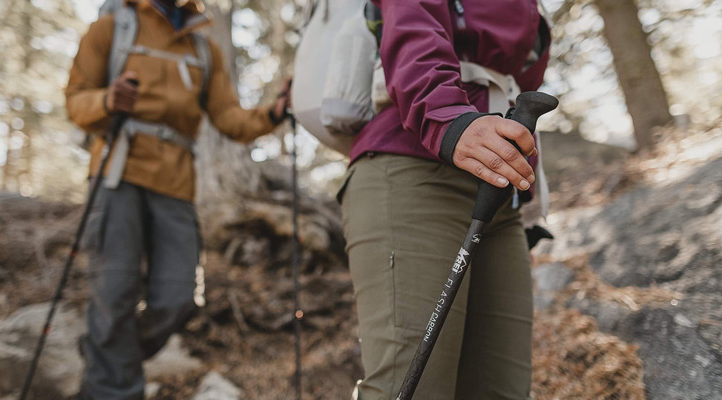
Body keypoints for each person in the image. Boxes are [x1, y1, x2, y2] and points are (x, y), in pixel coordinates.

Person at [64, 1, 288, 398]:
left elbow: (231, 119)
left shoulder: (203, 50)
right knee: (114, 292)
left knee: (179, 297)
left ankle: (107, 354)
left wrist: (273, 113)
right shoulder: (111, 29)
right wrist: (106, 101)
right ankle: (110, 385)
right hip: (119, 172)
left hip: (176, 184)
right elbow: (75, 100)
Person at [337, 0, 550, 399]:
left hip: (498, 193)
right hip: (414, 169)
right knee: (411, 388)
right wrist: (448, 119)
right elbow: (411, 28)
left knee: (502, 391)